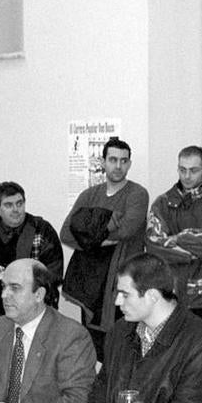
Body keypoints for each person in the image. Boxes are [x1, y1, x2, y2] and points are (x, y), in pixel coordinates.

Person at [83, 252, 202, 403]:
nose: (117, 302)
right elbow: (99, 395)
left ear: (152, 296)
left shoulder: (201, 341)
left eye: (125, 295)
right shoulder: (119, 331)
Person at [61, 137, 148, 357]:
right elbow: (66, 233)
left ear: (129, 163)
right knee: (94, 351)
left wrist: (89, 232)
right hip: (91, 287)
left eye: (123, 161)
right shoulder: (89, 195)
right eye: (113, 159)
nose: (118, 166)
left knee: (123, 351)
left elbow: (127, 230)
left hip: (123, 287)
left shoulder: (137, 194)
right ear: (103, 162)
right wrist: (106, 229)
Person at [0, 259, 97, 403]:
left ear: (39, 294)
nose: (4, 295)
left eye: (15, 288)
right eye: (3, 287)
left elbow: (75, 400)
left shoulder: (70, 336)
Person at [0, 182, 64, 343]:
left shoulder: (42, 231)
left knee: (30, 364)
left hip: (31, 316)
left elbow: (53, 273)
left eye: (19, 203)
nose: (16, 209)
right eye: (8, 205)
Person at [144, 145, 202, 317]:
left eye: (193, 170)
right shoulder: (162, 203)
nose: (187, 176)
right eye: (182, 170)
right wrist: (192, 254)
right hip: (169, 296)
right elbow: (153, 244)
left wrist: (178, 238)